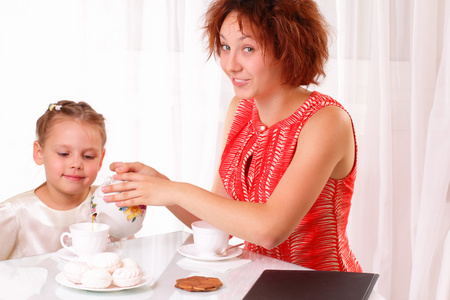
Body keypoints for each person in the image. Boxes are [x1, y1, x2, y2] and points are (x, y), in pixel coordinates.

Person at [103, 0, 362, 272]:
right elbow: (217, 223)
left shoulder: (326, 121)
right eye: (225, 47)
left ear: (287, 48)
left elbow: (270, 230)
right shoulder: (240, 110)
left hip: (324, 286)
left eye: (247, 49)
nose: (230, 64)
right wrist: (160, 186)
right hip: (258, 282)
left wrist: (175, 190)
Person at [0, 100, 106, 260]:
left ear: (101, 159)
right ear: (39, 153)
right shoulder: (13, 214)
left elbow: (126, 263)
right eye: (64, 153)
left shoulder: (108, 203)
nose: (76, 164)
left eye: (88, 156)